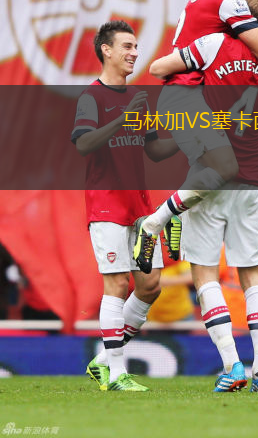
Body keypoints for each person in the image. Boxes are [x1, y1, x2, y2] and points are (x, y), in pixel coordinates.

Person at [150, 0, 258, 393]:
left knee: (205, 274)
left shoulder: (215, 44)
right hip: (253, 178)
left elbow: (160, 68)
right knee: (253, 276)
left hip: (209, 174)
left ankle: (232, 365)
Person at [134, 0, 258, 267]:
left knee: (207, 169)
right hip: (185, 94)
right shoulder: (230, 0)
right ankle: (155, 222)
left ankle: (175, 216)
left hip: (185, 95)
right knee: (227, 167)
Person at [71, 20, 179, 392]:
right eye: (127, 46)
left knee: (149, 285)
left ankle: (103, 362)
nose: (134, 53)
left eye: (135, 46)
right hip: (107, 205)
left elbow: (154, 150)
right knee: (117, 284)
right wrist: (121, 117)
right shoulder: (92, 97)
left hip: (140, 208)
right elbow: (84, 144)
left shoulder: (137, 98)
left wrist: (190, 138)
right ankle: (117, 375)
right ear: (107, 50)